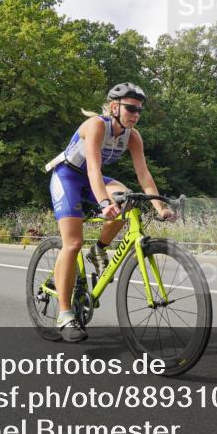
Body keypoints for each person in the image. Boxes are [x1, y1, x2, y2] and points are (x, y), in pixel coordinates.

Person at [44, 82, 176, 343]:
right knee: (72, 243)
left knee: (127, 200)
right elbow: (93, 167)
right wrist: (104, 203)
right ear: (114, 107)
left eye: (139, 110)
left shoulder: (133, 137)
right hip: (68, 176)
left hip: (96, 178)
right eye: (131, 108)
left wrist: (160, 206)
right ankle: (64, 314)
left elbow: (143, 174)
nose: (136, 114)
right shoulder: (97, 126)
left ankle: (99, 249)